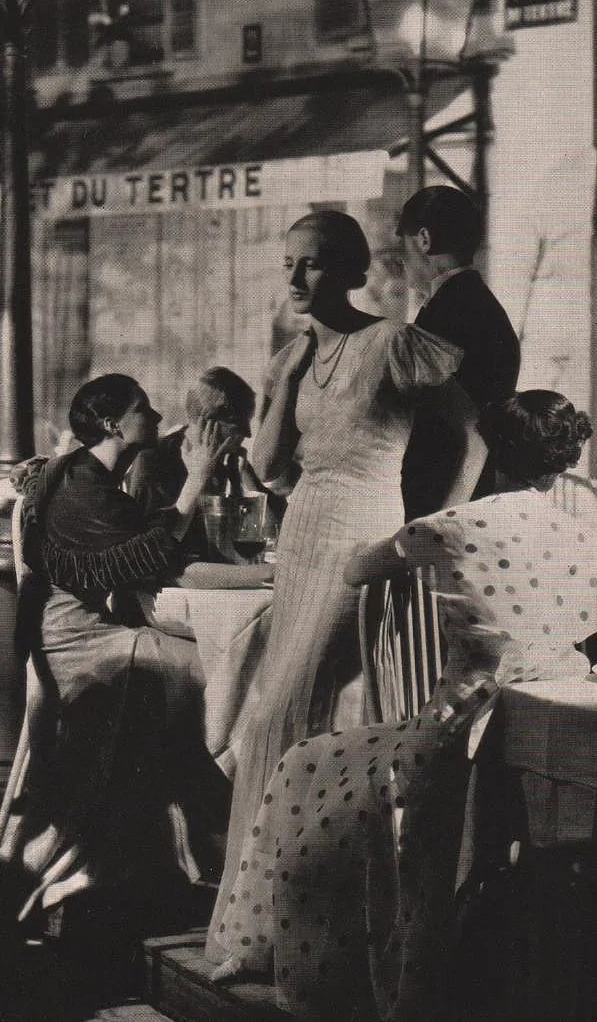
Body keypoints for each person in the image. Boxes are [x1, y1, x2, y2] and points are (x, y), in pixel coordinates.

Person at [209, 390, 594, 1021]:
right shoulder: (589, 529)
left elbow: (360, 569)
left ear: (496, 448)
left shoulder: (452, 527)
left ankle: (267, 950)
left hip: (459, 728)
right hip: (555, 713)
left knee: (305, 761)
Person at [206, 210, 464, 960]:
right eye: (288, 263)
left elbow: (470, 431)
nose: (293, 279)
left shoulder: (390, 340)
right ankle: (292, 930)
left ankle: (294, 928)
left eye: (311, 264)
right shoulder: (294, 355)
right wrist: (279, 383)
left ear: (350, 271)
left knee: (280, 717)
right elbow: (266, 469)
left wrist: (433, 524)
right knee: (287, 722)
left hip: (362, 533)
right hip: (303, 533)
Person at [13, 374, 270, 934]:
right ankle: (230, 841)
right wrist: (196, 478)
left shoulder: (96, 479)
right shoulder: (82, 483)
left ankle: (219, 849)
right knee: (208, 669)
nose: (156, 418)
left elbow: (148, 539)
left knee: (205, 669)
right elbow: (148, 560)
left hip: (95, 632)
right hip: (77, 643)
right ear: (112, 425)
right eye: (143, 410)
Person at [397, 185, 521, 520]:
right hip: (474, 490)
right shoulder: (481, 304)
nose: (402, 259)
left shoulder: (447, 311)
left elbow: (463, 428)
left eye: (403, 245)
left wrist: (435, 527)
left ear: (423, 239)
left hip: (441, 495)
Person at [125, 365, 284, 558]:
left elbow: (275, 527)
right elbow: (149, 546)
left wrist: (244, 479)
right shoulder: (154, 460)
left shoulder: (224, 461)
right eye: (239, 423)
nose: (248, 433)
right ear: (209, 422)